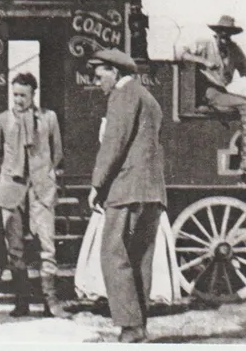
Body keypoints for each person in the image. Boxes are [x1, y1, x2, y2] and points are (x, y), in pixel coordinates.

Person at [87, 48, 167, 343]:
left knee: (114, 255)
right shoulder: (149, 97)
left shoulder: (122, 96)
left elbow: (114, 143)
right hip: (152, 193)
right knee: (140, 259)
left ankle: (129, 327)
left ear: (115, 73)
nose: (97, 83)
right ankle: (140, 326)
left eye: (99, 76)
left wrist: (97, 184)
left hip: (125, 190)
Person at [0, 72, 68, 318]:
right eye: (15, 95)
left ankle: (50, 302)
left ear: (34, 94)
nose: (18, 100)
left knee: (47, 245)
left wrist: (41, 173)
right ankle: (21, 301)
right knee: (15, 248)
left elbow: (57, 153)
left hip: (41, 189)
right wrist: (13, 170)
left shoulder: (49, 118)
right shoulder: (1, 120)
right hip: (12, 189)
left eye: (23, 95)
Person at [179, 15, 246, 178]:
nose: (226, 38)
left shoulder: (234, 50)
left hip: (221, 92)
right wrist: (203, 61)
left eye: (229, 34)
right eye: (223, 34)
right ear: (217, 33)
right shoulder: (205, 44)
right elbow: (181, 54)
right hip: (208, 93)